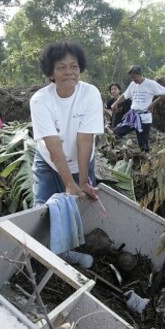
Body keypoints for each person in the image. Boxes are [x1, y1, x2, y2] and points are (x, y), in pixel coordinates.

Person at [30, 41, 104, 206]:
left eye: (74, 66)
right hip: (50, 162)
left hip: (82, 163)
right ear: (51, 73)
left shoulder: (90, 93)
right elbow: (53, 145)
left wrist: (83, 182)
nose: (69, 72)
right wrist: (69, 184)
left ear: (80, 69)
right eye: (61, 67)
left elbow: (84, 139)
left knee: (83, 208)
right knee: (44, 210)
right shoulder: (40, 100)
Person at [109, 65, 165, 153]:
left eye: (134, 77)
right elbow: (125, 95)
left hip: (144, 118)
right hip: (132, 116)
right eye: (131, 77)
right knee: (117, 132)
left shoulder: (150, 84)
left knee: (143, 144)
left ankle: (145, 160)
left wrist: (152, 104)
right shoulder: (133, 84)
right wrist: (115, 103)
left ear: (140, 74)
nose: (133, 79)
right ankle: (118, 152)